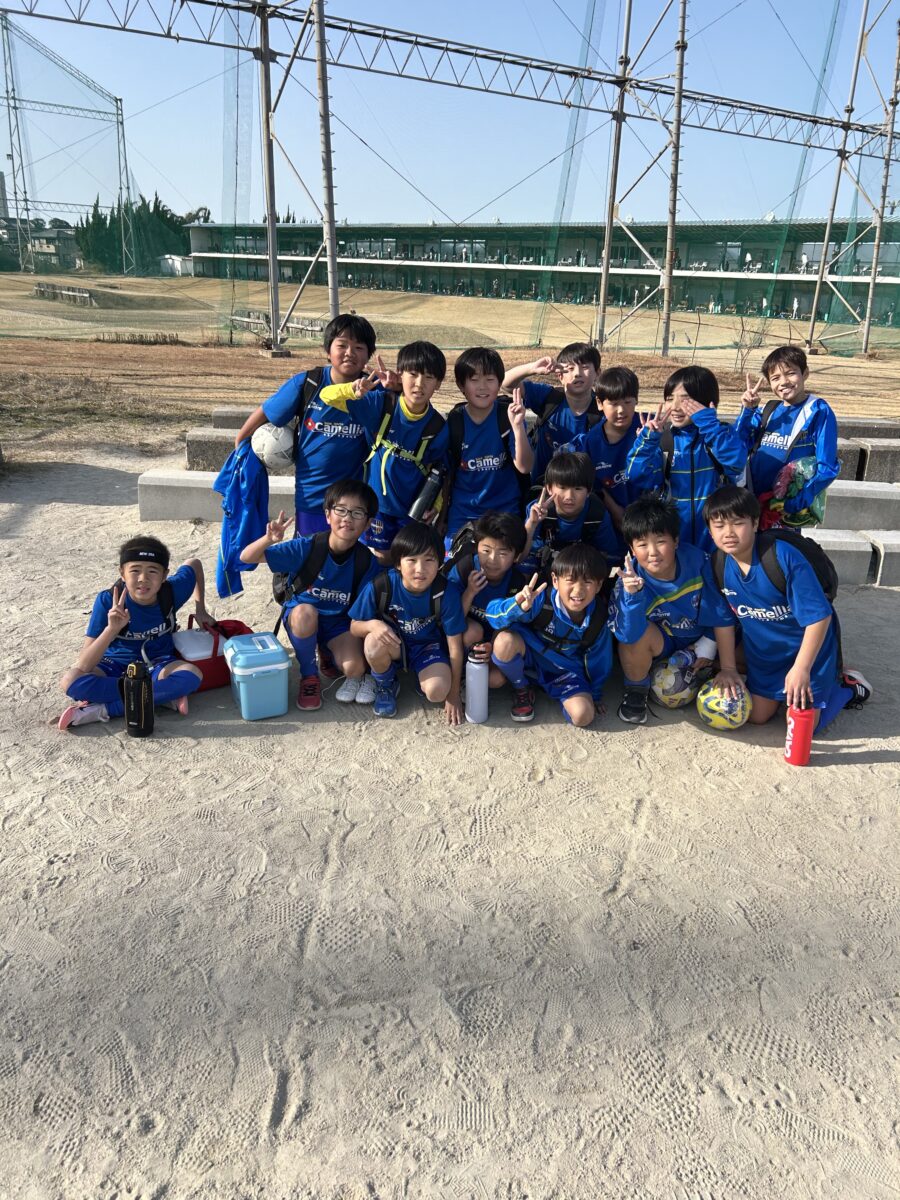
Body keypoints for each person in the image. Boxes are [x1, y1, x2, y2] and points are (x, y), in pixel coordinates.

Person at [704, 486, 871, 733]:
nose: (728, 533)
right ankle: (783, 687)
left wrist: (802, 668)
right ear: (710, 531)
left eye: (738, 523)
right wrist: (728, 669)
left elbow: (819, 617)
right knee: (757, 716)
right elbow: (723, 620)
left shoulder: (782, 557)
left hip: (809, 653)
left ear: (755, 523)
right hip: (766, 656)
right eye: (719, 526)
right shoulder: (717, 565)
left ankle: (846, 685)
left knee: (804, 728)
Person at [239, 479, 381, 710]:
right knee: (305, 613)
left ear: (368, 523)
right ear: (328, 515)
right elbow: (246, 557)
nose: (347, 518)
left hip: (338, 623)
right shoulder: (307, 547)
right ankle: (309, 675)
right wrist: (269, 539)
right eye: (341, 510)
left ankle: (325, 650)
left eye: (357, 513)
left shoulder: (366, 560)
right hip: (302, 616)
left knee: (354, 669)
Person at [233, 313, 378, 536]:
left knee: (347, 555)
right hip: (311, 498)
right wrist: (240, 446)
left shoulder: (377, 392)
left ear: (368, 354)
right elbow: (264, 414)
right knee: (310, 554)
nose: (350, 353)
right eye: (342, 345)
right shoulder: (308, 383)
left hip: (355, 504)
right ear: (328, 350)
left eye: (359, 347)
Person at [58, 536, 208, 730]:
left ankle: (104, 710)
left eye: (152, 571)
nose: (143, 578)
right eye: (135, 570)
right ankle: (159, 697)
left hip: (157, 665)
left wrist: (201, 609)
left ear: (164, 576)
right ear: (122, 573)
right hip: (114, 667)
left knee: (192, 675)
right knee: (71, 681)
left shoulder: (171, 591)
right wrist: (111, 629)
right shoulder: (107, 601)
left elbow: (194, 564)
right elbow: (84, 664)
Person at [318, 340, 449, 561]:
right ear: (400, 375)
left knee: (405, 561)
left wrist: (435, 505)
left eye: (429, 377)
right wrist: (352, 390)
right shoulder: (381, 404)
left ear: (438, 384)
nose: (419, 384)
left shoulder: (438, 426)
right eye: (413, 374)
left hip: (412, 510)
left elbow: (439, 468)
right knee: (381, 558)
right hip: (378, 507)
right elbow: (326, 396)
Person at [607, 494, 720, 726]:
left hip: (703, 635)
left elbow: (723, 608)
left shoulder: (700, 562)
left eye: (660, 541)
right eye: (642, 544)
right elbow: (627, 636)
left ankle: (713, 670)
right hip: (664, 641)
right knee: (635, 639)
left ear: (676, 541)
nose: (652, 552)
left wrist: (709, 642)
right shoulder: (627, 580)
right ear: (632, 549)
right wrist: (633, 595)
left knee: (747, 650)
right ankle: (636, 690)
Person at [349, 521, 466, 723]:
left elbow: (455, 647)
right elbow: (354, 626)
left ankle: (424, 679)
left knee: (437, 692)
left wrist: (453, 694)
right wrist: (372, 625)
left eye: (429, 560)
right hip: (394, 645)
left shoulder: (446, 592)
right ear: (398, 563)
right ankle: (386, 685)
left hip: (428, 647)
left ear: (439, 563)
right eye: (411, 560)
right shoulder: (382, 585)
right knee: (373, 642)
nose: (420, 569)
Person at [484, 543, 612, 727]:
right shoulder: (540, 600)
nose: (578, 590)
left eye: (588, 582)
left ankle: (558, 694)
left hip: (564, 672)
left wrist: (595, 694)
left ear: (599, 585)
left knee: (583, 716)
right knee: (504, 641)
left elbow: (600, 660)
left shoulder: (597, 618)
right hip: (529, 661)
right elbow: (491, 615)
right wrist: (517, 606)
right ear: (555, 580)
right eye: (570, 580)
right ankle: (522, 688)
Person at [625, 365, 747, 553]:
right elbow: (636, 475)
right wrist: (647, 441)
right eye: (669, 399)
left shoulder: (720, 434)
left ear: (706, 402)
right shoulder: (664, 441)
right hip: (674, 538)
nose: (675, 407)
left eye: (685, 400)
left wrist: (709, 424)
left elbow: (736, 463)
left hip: (717, 536)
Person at [736, 345, 839, 529]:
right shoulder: (768, 410)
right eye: (775, 378)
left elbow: (827, 467)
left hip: (784, 511)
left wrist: (796, 502)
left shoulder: (818, 411)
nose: (783, 382)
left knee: (779, 548)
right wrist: (747, 411)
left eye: (791, 373)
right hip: (751, 503)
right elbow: (738, 443)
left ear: (805, 373)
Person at [443, 347, 533, 542]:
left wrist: (518, 427)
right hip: (463, 513)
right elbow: (443, 469)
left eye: (490, 380)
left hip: (504, 512)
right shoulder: (455, 421)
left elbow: (525, 467)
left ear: (499, 383)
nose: (482, 387)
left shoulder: (508, 417)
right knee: (456, 560)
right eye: (474, 380)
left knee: (502, 558)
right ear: (461, 385)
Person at [444, 511, 528, 689]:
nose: (492, 560)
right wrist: (470, 592)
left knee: (496, 680)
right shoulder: (465, 568)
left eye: (502, 553)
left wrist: (491, 646)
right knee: (473, 631)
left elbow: (509, 624)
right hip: (465, 634)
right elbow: (451, 619)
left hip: (493, 640)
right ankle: (460, 671)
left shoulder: (516, 583)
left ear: (516, 556)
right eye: (486, 550)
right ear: (477, 547)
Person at [501, 342, 602, 483]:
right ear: (560, 376)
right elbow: (505, 383)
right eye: (570, 368)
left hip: (583, 490)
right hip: (542, 486)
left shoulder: (604, 408)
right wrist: (532, 368)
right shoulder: (549, 397)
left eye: (585, 367)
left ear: (597, 373)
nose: (577, 373)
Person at [570, 365, 642, 557]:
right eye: (614, 403)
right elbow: (593, 486)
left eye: (627, 402)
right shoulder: (590, 442)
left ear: (636, 400)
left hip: (646, 518)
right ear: (600, 403)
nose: (621, 410)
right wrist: (615, 511)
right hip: (610, 521)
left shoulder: (648, 429)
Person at [521, 451, 621, 573]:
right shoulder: (537, 510)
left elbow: (610, 557)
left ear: (589, 491)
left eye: (578, 489)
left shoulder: (597, 513)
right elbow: (520, 556)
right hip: (544, 564)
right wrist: (532, 523)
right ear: (549, 488)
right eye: (562, 488)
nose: (569, 496)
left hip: (582, 569)